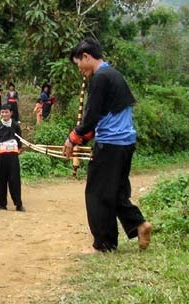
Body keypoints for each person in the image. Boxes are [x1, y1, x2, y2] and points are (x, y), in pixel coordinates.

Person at [64, 37, 152, 253]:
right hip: (125, 144)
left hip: (110, 145)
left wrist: (73, 137)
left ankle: (105, 244)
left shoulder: (100, 77)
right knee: (116, 192)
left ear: (86, 57)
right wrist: (82, 138)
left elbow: (92, 115)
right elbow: (103, 116)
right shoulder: (114, 74)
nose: (80, 70)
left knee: (97, 194)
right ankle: (140, 225)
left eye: (79, 65)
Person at [0, 104, 25, 212]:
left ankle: (18, 204)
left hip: (13, 157)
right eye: (2, 112)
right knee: (0, 179)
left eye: (6, 112)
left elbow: (19, 140)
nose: (4, 114)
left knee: (14, 179)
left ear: (11, 113)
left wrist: (16, 150)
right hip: (1, 156)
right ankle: (2, 204)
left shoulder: (15, 125)